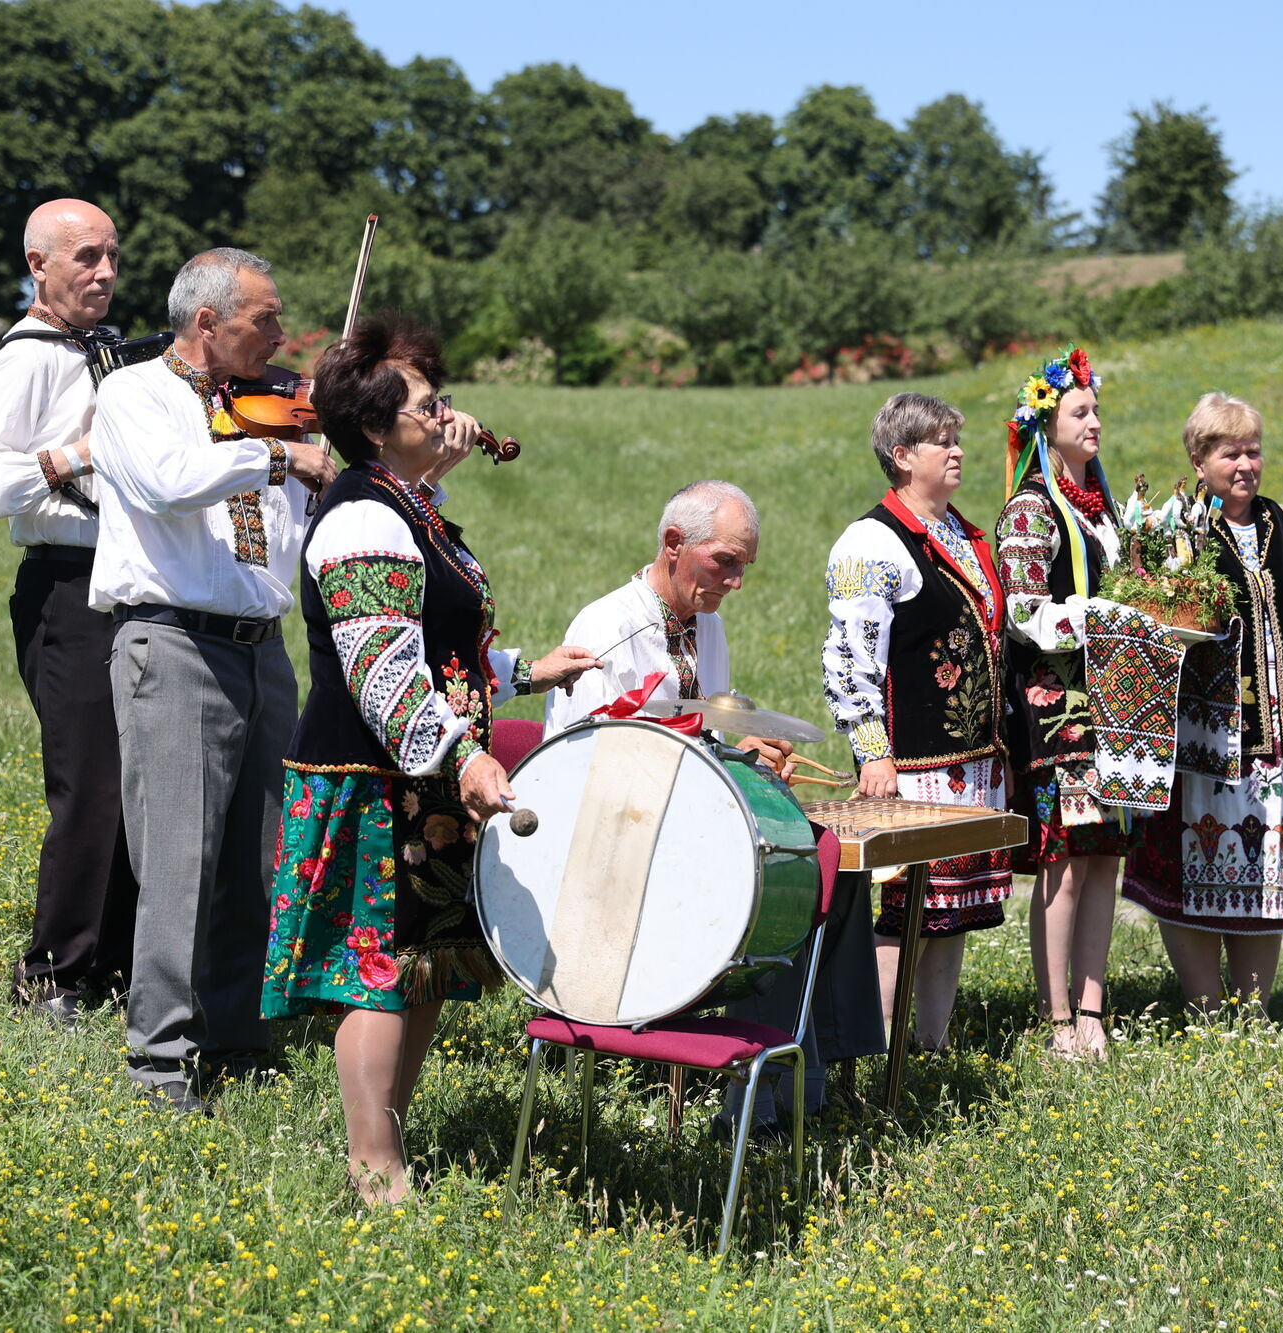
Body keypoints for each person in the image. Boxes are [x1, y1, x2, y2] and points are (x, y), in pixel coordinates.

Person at [261, 315, 599, 1203]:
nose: (448, 414)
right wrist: (468, 759)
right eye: (427, 402)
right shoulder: (361, 520)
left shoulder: (411, 508)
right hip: (373, 776)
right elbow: (382, 673)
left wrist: (526, 670)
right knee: (377, 972)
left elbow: (441, 647)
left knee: (423, 967)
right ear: (374, 428)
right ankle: (373, 1166)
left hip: (427, 772)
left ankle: (390, 1133)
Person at [548, 482, 882, 1133]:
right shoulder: (606, 627)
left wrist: (743, 754)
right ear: (674, 544)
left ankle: (805, 1082)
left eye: (744, 567)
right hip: (613, 860)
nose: (735, 581)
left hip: (683, 835)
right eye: (724, 561)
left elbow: (704, 742)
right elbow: (580, 772)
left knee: (830, 872)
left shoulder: (709, 627)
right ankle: (755, 1101)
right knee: (774, 885)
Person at [88, 247, 338, 1113]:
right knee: (179, 858)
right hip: (174, 641)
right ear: (207, 322)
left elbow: (293, 538)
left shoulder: (268, 415)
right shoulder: (133, 395)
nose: (280, 335)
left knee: (259, 856)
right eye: (264, 320)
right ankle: (159, 1058)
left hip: (260, 647)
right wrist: (276, 460)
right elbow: (166, 484)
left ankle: (236, 1037)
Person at [0, 198, 137, 1023]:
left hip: (128, 585)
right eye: (85, 257)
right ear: (39, 266)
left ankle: (116, 965)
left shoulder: (109, 353)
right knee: (89, 785)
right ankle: (51, 975)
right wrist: (67, 458)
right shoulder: (25, 358)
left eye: (112, 257)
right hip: (65, 584)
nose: (104, 273)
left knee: (134, 785)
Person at [1121, 392, 1283, 1012]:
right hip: (1202, 744)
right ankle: (1205, 1008)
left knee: (1268, 877)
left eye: (1253, 451)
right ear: (1199, 460)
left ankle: (1253, 1012)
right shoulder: (1172, 533)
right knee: (1192, 875)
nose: (1245, 464)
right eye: (1229, 452)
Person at [823, 392, 1012, 1051]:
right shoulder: (872, 543)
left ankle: (928, 1044)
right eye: (941, 440)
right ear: (902, 457)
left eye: (956, 437)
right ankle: (876, 1047)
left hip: (970, 763)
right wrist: (872, 751)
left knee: (950, 916)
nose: (957, 449)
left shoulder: (960, 531)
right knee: (905, 912)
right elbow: (852, 660)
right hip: (912, 767)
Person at [994, 346, 1132, 1061]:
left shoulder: (1105, 513)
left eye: (1097, 410)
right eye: (1081, 411)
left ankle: (1094, 1006)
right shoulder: (1031, 509)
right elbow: (1023, 610)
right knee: (1066, 859)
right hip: (1057, 709)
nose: (1096, 423)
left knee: (1106, 854)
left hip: (1114, 702)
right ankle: (1055, 1021)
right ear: (1047, 428)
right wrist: (1102, 620)